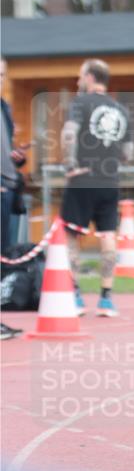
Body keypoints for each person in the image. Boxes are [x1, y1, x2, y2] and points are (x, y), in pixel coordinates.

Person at [60, 58, 134, 317]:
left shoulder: (80, 103)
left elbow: (69, 134)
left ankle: (76, 295)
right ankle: (106, 298)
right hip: (109, 182)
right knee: (108, 237)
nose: (78, 81)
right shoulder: (121, 110)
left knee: (71, 236)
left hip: (82, 179)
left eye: (81, 76)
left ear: (91, 77)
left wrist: (69, 165)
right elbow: (128, 152)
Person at [1, 57, 28, 339]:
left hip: (7, 188)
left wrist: (16, 158)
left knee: (3, 255)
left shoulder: (4, 108)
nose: (0, 80)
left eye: (2, 75)